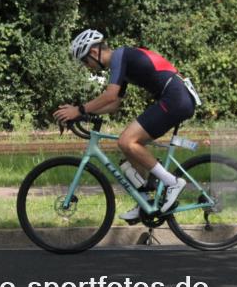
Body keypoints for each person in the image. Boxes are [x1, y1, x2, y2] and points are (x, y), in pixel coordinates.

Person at [53, 29, 198, 222]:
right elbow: (113, 105)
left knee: (127, 141)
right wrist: (84, 114)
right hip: (175, 99)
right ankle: (144, 202)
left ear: (94, 52)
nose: (87, 67)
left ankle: (172, 183)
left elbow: (110, 96)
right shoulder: (122, 62)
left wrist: (78, 110)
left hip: (175, 98)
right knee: (131, 148)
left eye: (85, 61)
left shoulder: (119, 55)